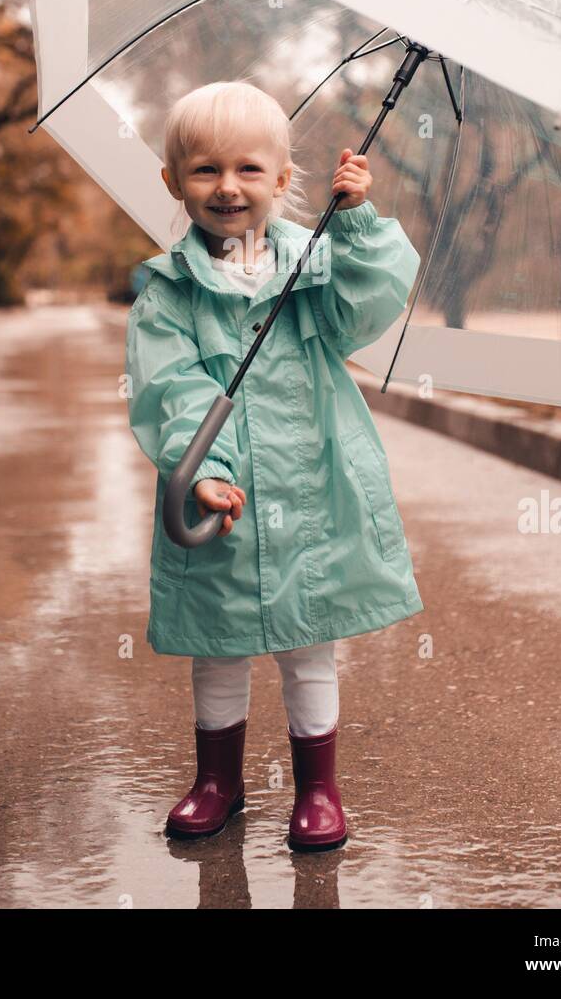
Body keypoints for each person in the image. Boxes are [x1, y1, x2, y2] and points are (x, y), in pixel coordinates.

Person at [124, 80, 424, 851]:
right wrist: (203, 466)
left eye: (250, 170)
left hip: (312, 484)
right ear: (172, 182)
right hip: (220, 494)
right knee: (217, 640)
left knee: (308, 641)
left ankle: (317, 790)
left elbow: (367, 307)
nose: (228, 187)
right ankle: (217, 782)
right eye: (205, 170)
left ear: (284, 182)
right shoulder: (169, 290)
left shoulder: (318, 264)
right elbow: (171, 386)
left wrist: (355, 222)